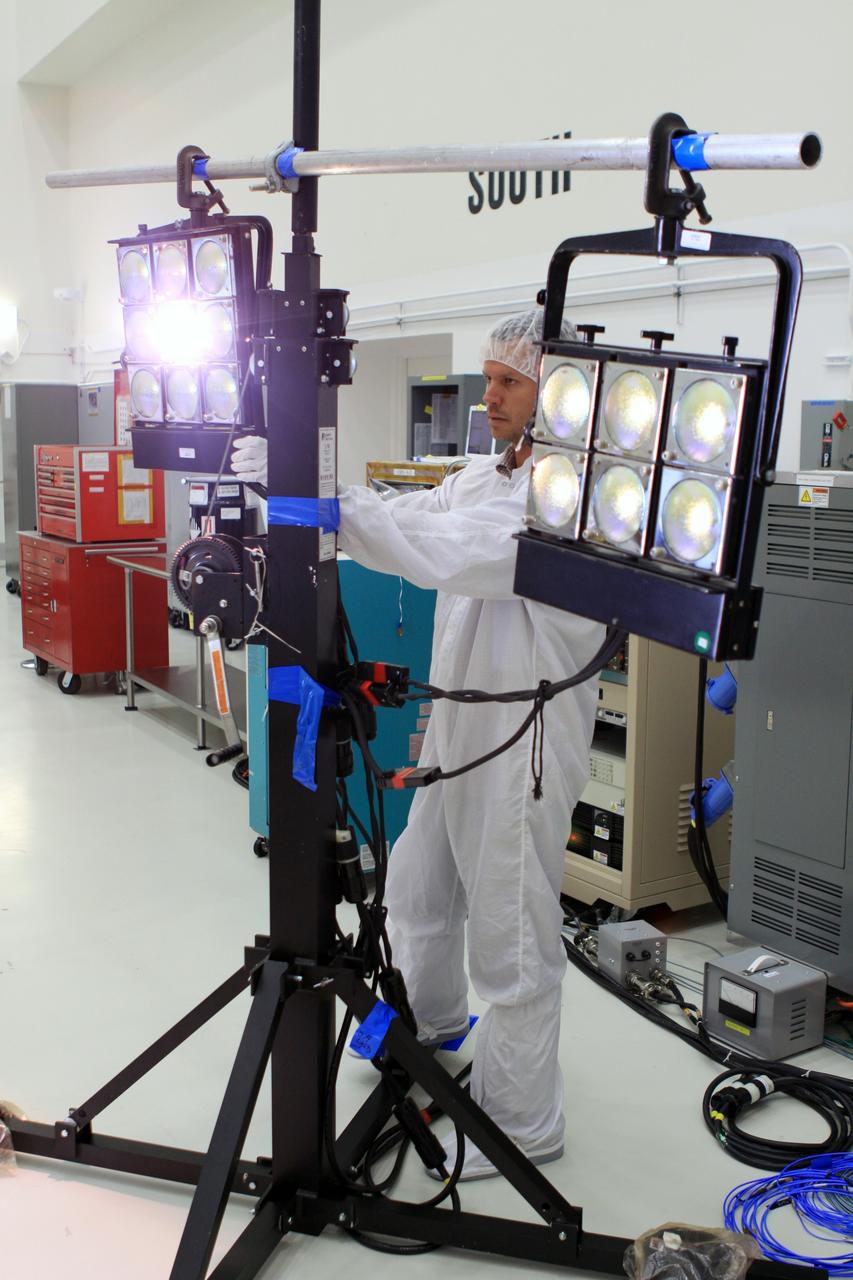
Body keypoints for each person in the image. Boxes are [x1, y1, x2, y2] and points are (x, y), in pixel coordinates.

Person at [232, 309, 604, 1180]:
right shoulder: (486, 475)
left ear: (561, 395)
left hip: (523, 743)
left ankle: (520, 1124)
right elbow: (419, 510)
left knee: (510, 937)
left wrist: (323, 501)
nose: (492, 394)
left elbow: (438, 549)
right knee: (419, 887)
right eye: (490, 376)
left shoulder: (570, 503)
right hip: (460, 727)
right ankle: (433, 1034)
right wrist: (305, 487)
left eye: (511, 380)